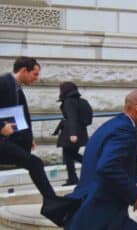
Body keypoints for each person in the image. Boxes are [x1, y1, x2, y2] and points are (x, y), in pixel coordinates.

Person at [0, 57, 79, 226]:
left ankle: (52, 203)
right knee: (34, 163)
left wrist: (29, 138)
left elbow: (19, 115)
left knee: (33, 163)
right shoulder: (3, 82)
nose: (37, 78)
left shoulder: (16, 88)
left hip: (9, 141)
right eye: (34, 74)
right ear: (23, 70)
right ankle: (53, 204)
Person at [65, 90, 137, 230]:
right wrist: (133, 192)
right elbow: (107, 166)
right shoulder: (125, 130)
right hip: (100, 210)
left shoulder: (112, 125)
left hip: (97, 209)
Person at [54, 82, 88, 186]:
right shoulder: (81, 101)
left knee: (69, 155)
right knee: (71, 155)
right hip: (80, 131)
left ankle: (74, 178)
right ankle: (73, 177)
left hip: (71, 133)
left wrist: (73, 134)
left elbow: (72, 117)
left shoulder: (69, 101)